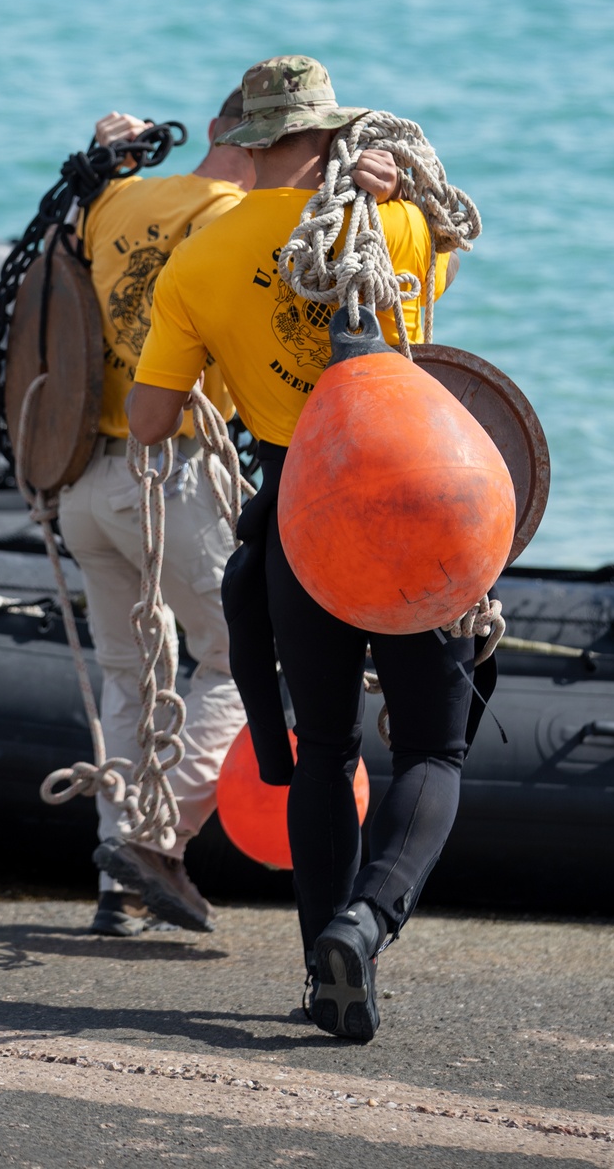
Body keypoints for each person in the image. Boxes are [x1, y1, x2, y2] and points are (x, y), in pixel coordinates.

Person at [128, 55, 476, 1042]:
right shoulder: (396, 224)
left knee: (324, 749)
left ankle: (325, 974)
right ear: (331, 133)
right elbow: (441, 269)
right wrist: (386, 192)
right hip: (409, 505)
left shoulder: (198, 258)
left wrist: (219, 353)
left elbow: (149, 420)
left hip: (301, 512)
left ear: (246, 140)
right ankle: (365, 924)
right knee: (433, 746)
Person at [58, 86, 400, 938]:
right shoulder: (236, 224)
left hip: (87, 478)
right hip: (174, 476)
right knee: (237, 660)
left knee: (128, 673)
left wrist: (109, 157)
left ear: (214, 130)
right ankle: (153, 841)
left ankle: (119, 888)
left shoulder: (118, 201)